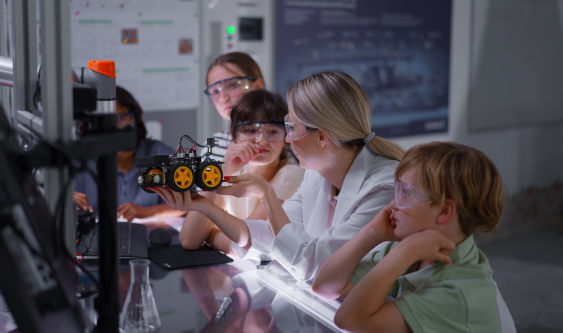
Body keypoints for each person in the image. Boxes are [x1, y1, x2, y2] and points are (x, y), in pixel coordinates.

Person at [152, 70, 405, 281]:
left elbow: (317, 267)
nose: (288, 138)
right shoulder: (317, 176)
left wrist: (266, 195)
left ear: (321, 137)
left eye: (291, 128)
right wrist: (204, 205)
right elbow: (270, 237)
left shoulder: (383, 189)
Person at [311, 142, 516, 333]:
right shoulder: (417, 250)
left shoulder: (456, 292)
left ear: (444, 211)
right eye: (397, 189)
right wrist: (373, 232)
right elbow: (325, 287)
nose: (393, 203)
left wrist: (404, 253)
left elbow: (349, 320)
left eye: (406, 193)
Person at [178, 89, 304, 256]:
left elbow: (238, 245)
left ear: (286, 138)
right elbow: (189, 240)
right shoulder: (233, 174)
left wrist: (209, 235)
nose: (261, 140)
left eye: (273, 132)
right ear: (234, 135)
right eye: (251, 130)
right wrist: (223, 170)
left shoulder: (291, 174)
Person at [74, 86, 186, 221]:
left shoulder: (159, 153)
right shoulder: (82, 166)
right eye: (107, 122)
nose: (116, 128)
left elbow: (188, 202)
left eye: (122, 118)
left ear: (134, 119)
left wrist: (148, 212)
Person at [203, 52, 266, 161]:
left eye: (232, 85)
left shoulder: (287, 139)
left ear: (258, 86)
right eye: (216, 91)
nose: (223, 98)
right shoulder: (213, 147)